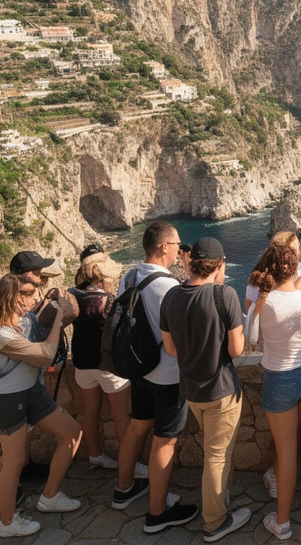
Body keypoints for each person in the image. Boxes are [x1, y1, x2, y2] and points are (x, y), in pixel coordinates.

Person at [159, 237, 252, 542]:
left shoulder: (172, 296)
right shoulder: (224, 295)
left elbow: (171, 348)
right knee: (217, 457)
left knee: (214, 454)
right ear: (220, 263)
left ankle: (219, 502)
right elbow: (237, 349)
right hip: (221, 389)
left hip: (191, 391)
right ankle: (214, 522)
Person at [112, 221, 199, 534]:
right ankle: (157, 513)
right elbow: (182, 335)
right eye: (176, 243)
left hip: (139, 368)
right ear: (164, 247)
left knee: (138, 425)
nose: (179, 248)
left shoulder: (129, 276)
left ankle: (124, 489)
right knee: (165, 439)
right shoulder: (168, 288)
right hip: (166, 374)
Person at [0, 274, 83, 537]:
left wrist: (57, 301)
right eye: (25, 294)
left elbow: (63, 314)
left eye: (33, 292)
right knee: (15, 461)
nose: (32, 298)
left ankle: (50, 497)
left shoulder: (25, 321)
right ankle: (7, 522)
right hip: (9, 400)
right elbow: (44, 355)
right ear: (9, 298)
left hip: (32, 394)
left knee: (72, 433)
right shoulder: (0, 335)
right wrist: (58, 316)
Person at [247, 239, 301, 538]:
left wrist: (259, 305)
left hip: (279, 378)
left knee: (286, 450)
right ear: (294, 269)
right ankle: (281, 486)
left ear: (268, 268)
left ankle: (282, 523)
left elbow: (251, 339)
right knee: (294, 439)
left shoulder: (264, 302)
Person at [68, 248, 138, 473]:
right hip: (107, 365)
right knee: (121, 417)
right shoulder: (107, 300)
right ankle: (131, 465)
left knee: (90, 412)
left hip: (82, 362)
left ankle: (95, 455)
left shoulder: (72, 295)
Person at [246, 228, 301, 311]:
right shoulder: (286, 283)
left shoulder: (256, 280)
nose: (299, 252)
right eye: (294, 250)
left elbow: (250, 313)